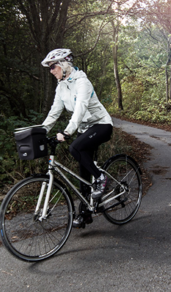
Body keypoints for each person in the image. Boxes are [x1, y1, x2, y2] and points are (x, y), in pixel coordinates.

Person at [41, 48, 113, 228]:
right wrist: (41, 131)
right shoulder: (61, 86)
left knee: (75, 148)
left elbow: (80, 108)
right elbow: (54, 112)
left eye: (53, 67)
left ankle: (101, 178)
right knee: (83, 174)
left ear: (64, 65)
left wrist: (67, 132)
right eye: (49, 68)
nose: (51, 71)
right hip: (85, 129)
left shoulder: (83, 82)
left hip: (101, 125)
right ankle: (86, 213)